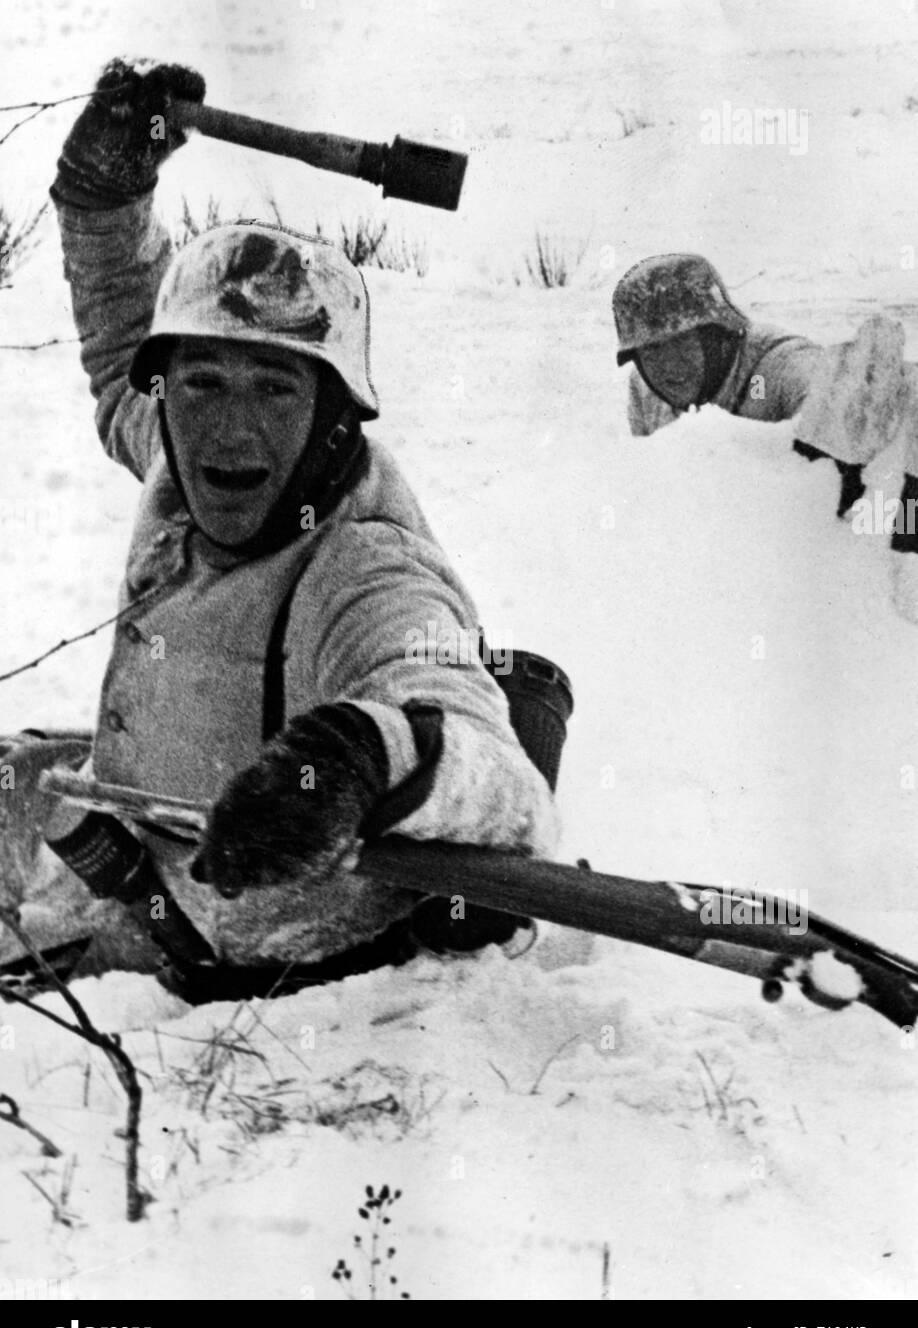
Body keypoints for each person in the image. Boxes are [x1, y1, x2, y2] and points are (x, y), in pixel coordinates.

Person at [0, 59, 558, 1002]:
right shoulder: (180, 462)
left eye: (275, 387)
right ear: (167, 395)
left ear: (336, 417)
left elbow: (501, 782)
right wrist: (105, 195)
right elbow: (119, 346)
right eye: (204, 382)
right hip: (153, 823)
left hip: (262, 931)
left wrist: (356, 755)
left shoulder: (369, 568)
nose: (230, 427)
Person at [612, 252, 877, 518]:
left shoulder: (777, 364)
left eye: (682, 341)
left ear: (718, 336)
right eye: (652, 349)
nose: (669, 365)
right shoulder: (645, 392)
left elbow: (832, 392)